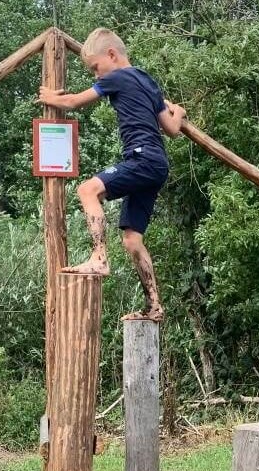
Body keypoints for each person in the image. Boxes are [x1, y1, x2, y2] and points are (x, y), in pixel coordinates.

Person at [38, 28, 187, 321]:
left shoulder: (116, 77)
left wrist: (48, 96)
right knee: (132, 240)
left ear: (111, 55)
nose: (96, 75)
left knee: (87, 189)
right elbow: (171, 130)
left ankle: (99, 257)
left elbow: (72, 103)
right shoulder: (149, 82)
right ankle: (154, 306)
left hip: (142, 158)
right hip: (157, 165)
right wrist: (179, 113)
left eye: (95, 68)